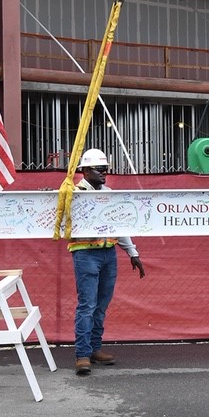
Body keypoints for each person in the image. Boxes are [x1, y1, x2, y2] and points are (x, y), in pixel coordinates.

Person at [68, 147, 146, 376]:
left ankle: (94, 349)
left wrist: (132, 253)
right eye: (100, 169)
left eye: (106, 169)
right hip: (85, 254)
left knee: (100, 305)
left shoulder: (109, 194)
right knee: (87, 306)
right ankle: (82, 355)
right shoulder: (73, 194)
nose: (104, 173)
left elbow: (118, 225)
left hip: (108, 255)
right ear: (84, 171)